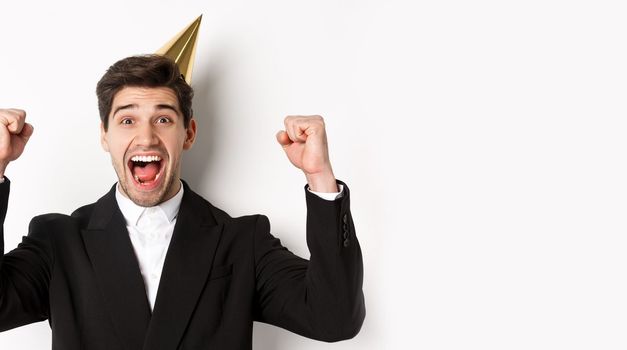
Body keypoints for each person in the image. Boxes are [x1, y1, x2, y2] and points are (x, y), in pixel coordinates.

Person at [0, 55, 364, 349]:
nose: (146, 137)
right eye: (127, 120)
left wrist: (319, 177)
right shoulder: (58, 242)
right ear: (105, 136)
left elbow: (333, 318)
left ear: (188, 133)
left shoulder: (241, 242)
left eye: (162, 118)